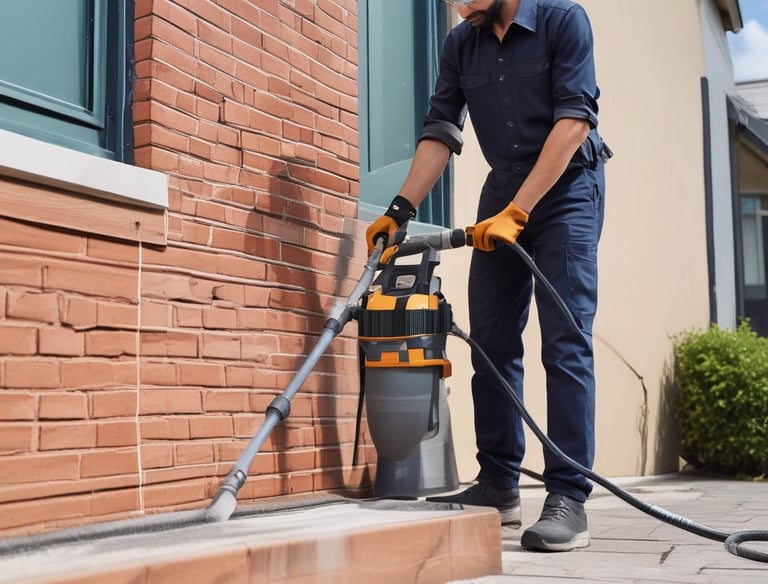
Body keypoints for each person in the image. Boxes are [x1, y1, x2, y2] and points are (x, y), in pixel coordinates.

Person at [365, 0, 610, 552]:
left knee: (565, 342)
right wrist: (399, 209)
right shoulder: (462, 44)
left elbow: (573, 122)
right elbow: (442, 130)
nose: (460, 6)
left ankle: (568, 495)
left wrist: (519, 212)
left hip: (567, 189)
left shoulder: (562, 20)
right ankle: (499, 485)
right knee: (492, 342)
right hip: (502, 191)